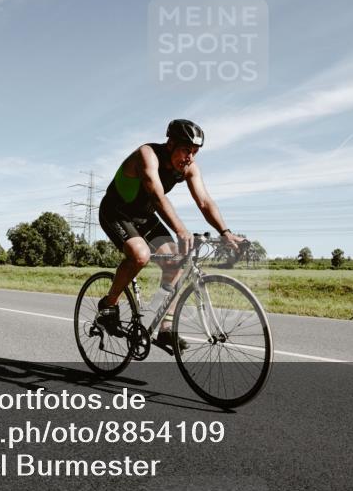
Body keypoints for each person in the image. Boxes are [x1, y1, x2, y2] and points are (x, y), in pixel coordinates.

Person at [96, 119, 245, 353]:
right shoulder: (147, 155)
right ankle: (109, 304)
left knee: (175, 262)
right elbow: (157, 196)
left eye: (195, 152)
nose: (190, 157)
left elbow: (205, 202)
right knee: (139, 255)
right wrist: (180, 230)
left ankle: (165, 328)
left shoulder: (188, 168)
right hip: (117, 211)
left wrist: (225, 233)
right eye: (186, 150)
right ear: (171, 144)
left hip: (145, 216)